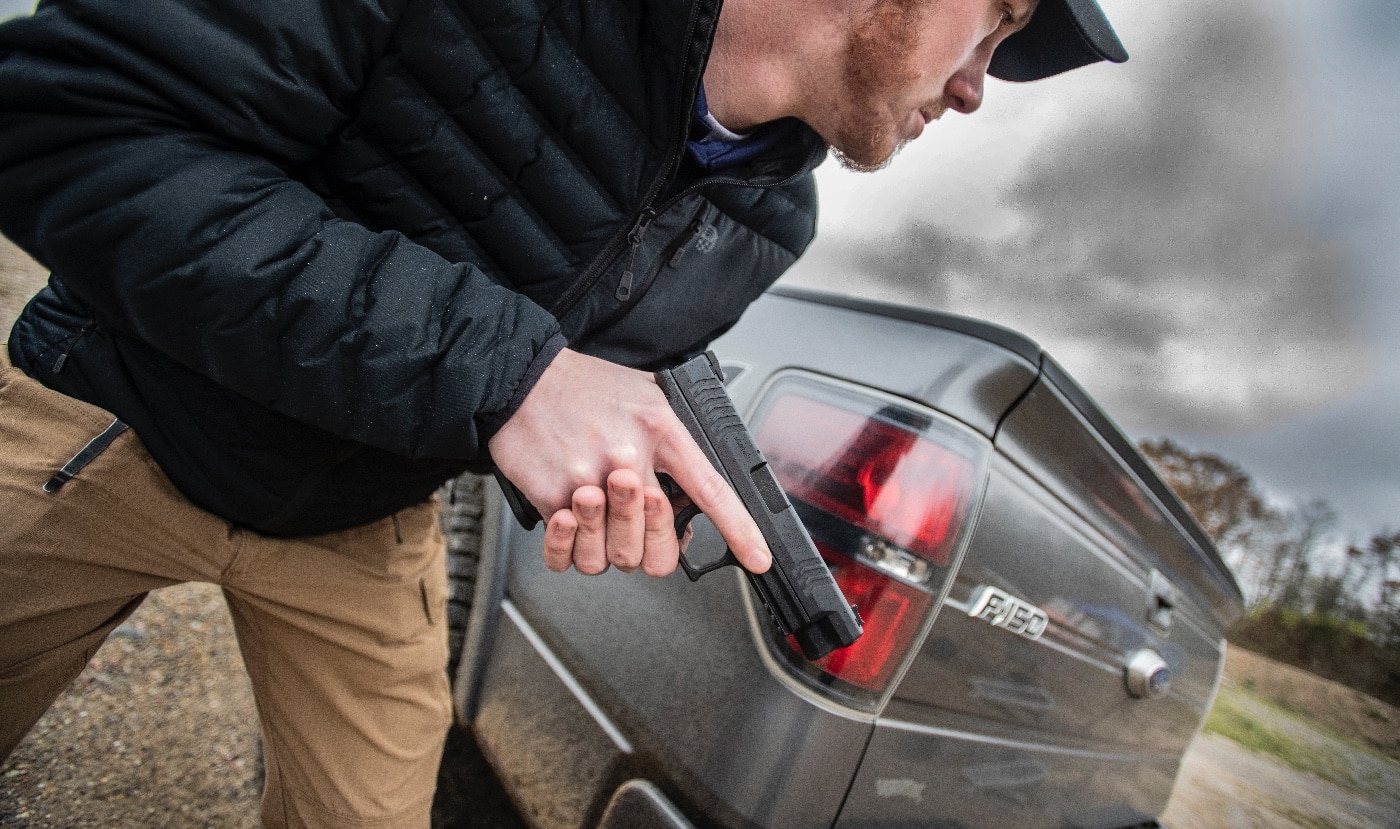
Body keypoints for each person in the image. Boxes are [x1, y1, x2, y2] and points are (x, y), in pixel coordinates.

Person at [0, 0, 1126, 825]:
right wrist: (507, 375)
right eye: (996, 21)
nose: (979, 84)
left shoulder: (774, 221)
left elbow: (581, 389)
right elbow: (72, 124)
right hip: (120, 415)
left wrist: (608, 473)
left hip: (355, 519)